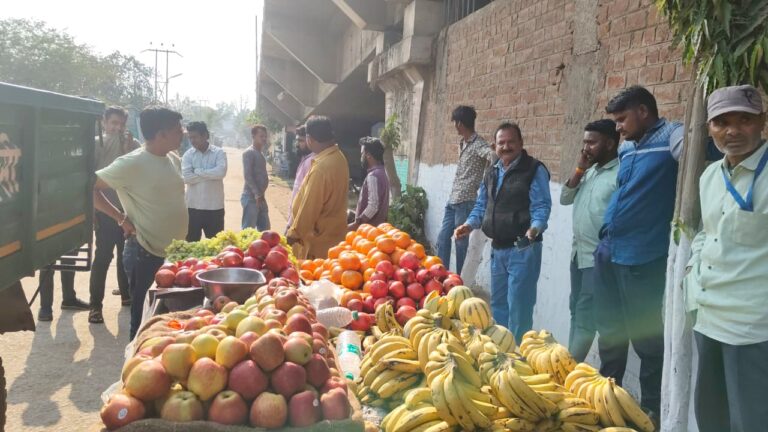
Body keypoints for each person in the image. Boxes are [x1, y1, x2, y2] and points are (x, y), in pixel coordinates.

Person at [593, 85, 684, 419]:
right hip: (609, 252)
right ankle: (607, 404)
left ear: (644, 111)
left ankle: (651, 414)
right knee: (611, 334)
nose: (617, 128)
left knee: (647, 342)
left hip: (642, 256)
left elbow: (692, 153)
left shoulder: (671, 135)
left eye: (621, 119)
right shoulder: (628, 147)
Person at [686, 85, 768, 432]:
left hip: (752, 325)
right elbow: (707, 231)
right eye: (722, 122)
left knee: (750, 420)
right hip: (708, 316)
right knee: (711, 414)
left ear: (762, 122)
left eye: (744, 120)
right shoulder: (709, 176)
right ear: (709, 129)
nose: (732, 131)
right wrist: (691, 271)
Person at [93, 106, 188, 340]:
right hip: (145, 252)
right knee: (143, 320)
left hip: (174, 253)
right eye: (177, 130)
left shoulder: (173, 159)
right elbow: (91, 189)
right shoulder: (131, 163)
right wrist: (120, 218)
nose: (183, 133)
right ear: (160, 134)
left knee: (169, 319)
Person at [454, 122, 551, 342]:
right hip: (498, 248)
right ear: (494, 145)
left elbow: (541, 206)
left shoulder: (534, 169)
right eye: (501, 143)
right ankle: (500, 349)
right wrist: (468, 224)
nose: (506, 147)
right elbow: (481, 206)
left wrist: (535, 228)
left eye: (511, 142)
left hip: (523, 248)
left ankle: (518, 355)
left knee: (519, 305)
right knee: (498, 304)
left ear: (521, 143)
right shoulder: (491, 172)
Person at [559, 119, 619, 362]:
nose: (586, 148)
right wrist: (579, 169)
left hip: (599, 258)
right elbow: (564, 198)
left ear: (610, 143)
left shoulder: (620, 174)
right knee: (576, 309)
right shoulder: (589, 171)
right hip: (578, 254)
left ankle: (568, 370)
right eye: (584, 142)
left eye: (592, 143)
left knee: (586, 316)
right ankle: (568, 365)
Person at [88, 106, 140, 323]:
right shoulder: (95, 144)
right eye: (113, 123)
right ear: (104, 122)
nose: (116, 128)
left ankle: (126, 296)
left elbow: (136, 172)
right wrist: (92, 210)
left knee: (124, 256)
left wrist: (128, 148)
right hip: (104, 208)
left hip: (128, 209)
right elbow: (90, 181)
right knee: (103, 257)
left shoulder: (132, 144)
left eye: (120, 124)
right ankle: (95, 306)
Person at [437, 105, 494, 274]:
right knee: (443, 238)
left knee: (460, 244)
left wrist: (490, 176)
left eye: (455, 122)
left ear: (460, 124)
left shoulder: (479, 144)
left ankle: (460, 282)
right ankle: (442, 276)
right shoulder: (462, 143)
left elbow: (493, 156)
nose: (454, 125)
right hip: (453, 199)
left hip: (466, 201)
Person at [287, 116, 349, 259]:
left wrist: (293, 234)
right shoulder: (339, 157)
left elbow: (309, 207)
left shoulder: (321, 168)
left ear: (309, 138)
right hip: (333, 239)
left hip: (316, 245)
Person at [181, 121, 227, 241]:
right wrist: (210, 173)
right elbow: (186, 178)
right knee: (191, 245)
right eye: (190, 137)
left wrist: (198, 171)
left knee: (216, 246)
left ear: (205, 135)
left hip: (214, 208)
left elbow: (221, 172)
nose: (192, 140)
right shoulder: (188, 155)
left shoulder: (219, 153)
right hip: (193, 208)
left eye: (195, 137)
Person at [349, 137, 390, 230]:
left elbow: (373, 206)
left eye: (362, 154)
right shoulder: (382, 172)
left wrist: (357, 223)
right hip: (379, 228)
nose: (361, 157)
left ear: (368, 155)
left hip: (369, 231)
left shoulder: (373, 176)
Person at [242, 124, 270, 231]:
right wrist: (257, 194)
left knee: (265, 230)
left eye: (265, 136)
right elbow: (248, 176)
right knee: (248, 231)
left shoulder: (260, 153)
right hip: (251, 197)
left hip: (260, 197)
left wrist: (260, 195)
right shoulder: (249, 152)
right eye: (261, 136)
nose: (264, 138)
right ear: (253, 136)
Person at [286, 125, 312, 232]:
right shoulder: (305, 159)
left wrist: (292, 224)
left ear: (310, 140)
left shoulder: (312, 161)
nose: (297, 144)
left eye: (301, 141)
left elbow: (306, 196)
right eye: (297, 140)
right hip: (294, 218)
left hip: (299, 222)